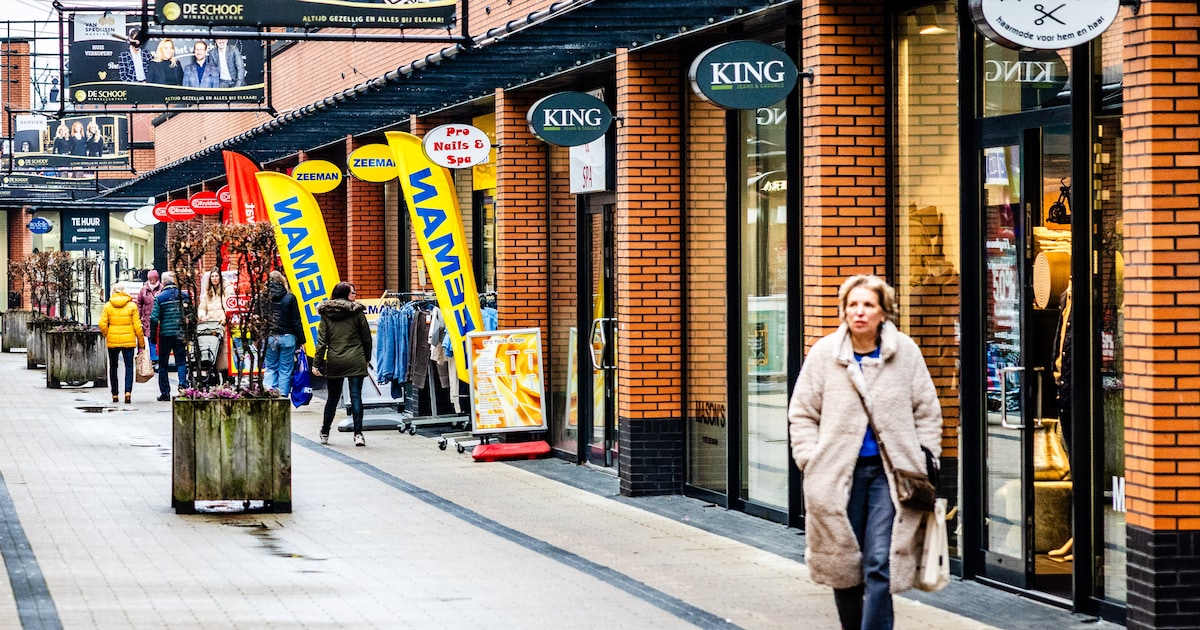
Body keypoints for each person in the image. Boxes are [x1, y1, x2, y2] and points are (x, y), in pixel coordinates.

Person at [787, 275, 942, 630]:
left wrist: (925, 455)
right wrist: (809, 458)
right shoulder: (825, 354)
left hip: (891, 477)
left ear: (883, 312)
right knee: (844, 565)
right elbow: (802, 412)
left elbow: (927, 411)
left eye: (868, 305)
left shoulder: (905, 352)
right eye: (853, 305)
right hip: (837, 475)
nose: (860, 312)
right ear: (843, 311)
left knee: (879, 562)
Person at [315, 282, 371, 447]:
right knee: (356, 397)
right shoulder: (357, 312)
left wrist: (316, 364)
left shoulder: (326, 314)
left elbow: (322, 342)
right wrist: (366, 358)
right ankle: (358, 435)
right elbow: (366, 338)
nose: (355, 296)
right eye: (353, 293)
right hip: (356, 358)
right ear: (346, 294)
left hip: (335, 360)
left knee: (332, 398)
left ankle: (325, 432)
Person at [98, 283, 145, 404]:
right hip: (128, 341)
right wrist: (141, 343)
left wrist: (107, 334)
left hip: (113, 341)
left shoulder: (108, 306)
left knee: (113, 367)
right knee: (129, 367)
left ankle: (114, 394)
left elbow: (102, 324)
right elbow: (137, 327)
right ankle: (127, 392)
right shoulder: (132, 306)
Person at [149, 271, 191, 401]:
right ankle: (182, 386)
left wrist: (153, 336)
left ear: (163, 282)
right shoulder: (183, 296)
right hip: (180, 334)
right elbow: (190, 314)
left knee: (163, 365)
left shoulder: (160, 298)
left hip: (165, 335)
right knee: (181, 362)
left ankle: (165, 392)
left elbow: (154, 318)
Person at [262, 270, 305, 396]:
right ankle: (283, 397)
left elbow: (258, 318)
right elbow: (296, 321)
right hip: (288, 337)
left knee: (270, 367)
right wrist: (301, 340)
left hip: (270, 337)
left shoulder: (263, 297)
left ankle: (269, 394)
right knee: (285, 369)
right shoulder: (290, 297)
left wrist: (256, 338)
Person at [196, 267, 230, 384]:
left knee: (224, 354)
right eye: (212, 276)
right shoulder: (207, 293)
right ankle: (213, 376)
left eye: (216, 276)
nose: (214, 278)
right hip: (211, 327)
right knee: (211, 352)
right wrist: (202, 316)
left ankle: (226, 378)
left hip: (222, 326)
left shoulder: (226, 290)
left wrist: (224, 318)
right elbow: (202, 307)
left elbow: (229, 305)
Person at [137, 270, 164, 363]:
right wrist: (139, 316)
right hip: (148, 317)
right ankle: (153, 357)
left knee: (159, 337)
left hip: (160, 317)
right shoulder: (144, 290)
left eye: (154, 279)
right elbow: (139, 304)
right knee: (150, 337)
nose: (152, 281)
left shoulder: (162, 288)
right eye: (150, 279)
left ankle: (159, 355)